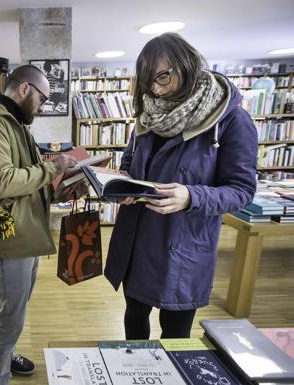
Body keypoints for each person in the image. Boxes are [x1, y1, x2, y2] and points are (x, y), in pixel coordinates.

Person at [105, 33, 258, 339]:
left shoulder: (230, 119)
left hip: (182, 242)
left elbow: (242, 190)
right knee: (134, 316)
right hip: (137, 237)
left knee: (175, 332)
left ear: (186, 65)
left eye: (162, 76)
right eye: (148, 79)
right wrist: (121, 181)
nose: (154, 88)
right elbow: (130, 157)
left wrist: (191, 196)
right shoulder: (148, 114)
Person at [0, 65, 86, 385]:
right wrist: (54, 168)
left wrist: (63, 183)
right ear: (23, 90)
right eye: (42, 98)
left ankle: (6, 354)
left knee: (17, 307)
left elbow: (27, 177)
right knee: (9, 315)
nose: (42, 106)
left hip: (26, 229)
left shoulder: (15, 122)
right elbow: (3, 182)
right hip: (5, 232)